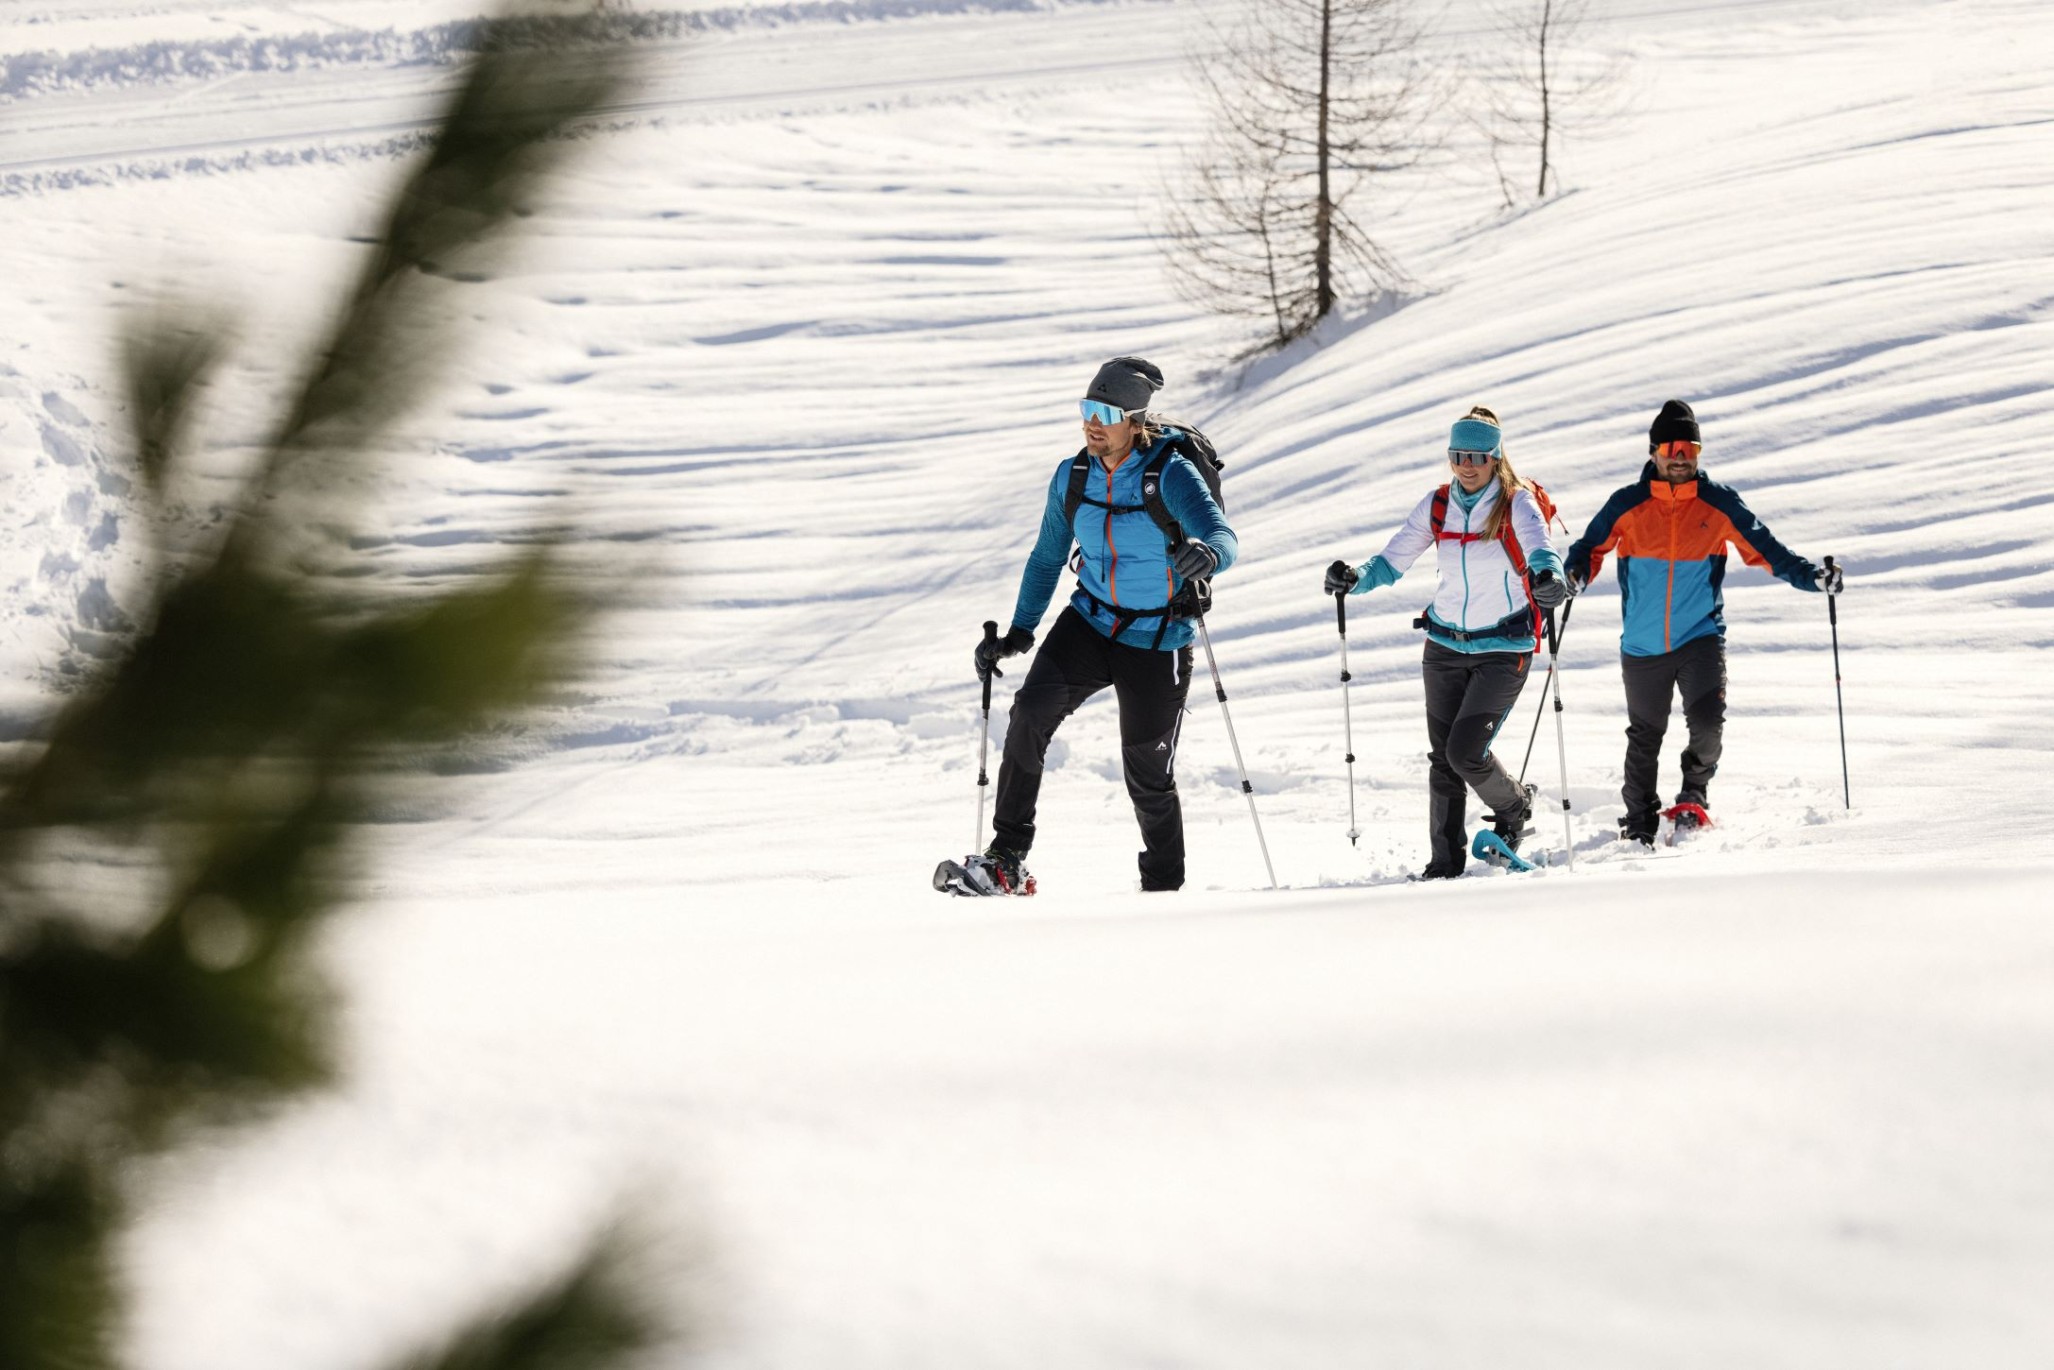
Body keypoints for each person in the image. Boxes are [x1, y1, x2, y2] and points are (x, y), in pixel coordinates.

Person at [961, 357, 1238, 894]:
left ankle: (1163, 890)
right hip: (1089, 622)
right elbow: (1046, 558)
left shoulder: (1170, 474)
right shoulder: (1074, 475)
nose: (1091, 422)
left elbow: (1223, 536)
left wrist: (1208, 555)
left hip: (1157, 638)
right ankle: (1006, 857)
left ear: (1134, 421)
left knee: (1148, 774)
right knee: (1029, 716)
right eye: (1086, 409)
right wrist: (1020, 632)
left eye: (1104, 412)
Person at [1562, 399, 1839, 846]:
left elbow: (1767, 550)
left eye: (1690, 447)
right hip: (1643, 643)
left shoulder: (1718, 503)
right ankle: (1640, 819)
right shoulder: (1627, 504)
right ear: (1654, 452)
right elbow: (1589, 549)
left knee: (1708, 722)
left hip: (1700, 636)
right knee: (1645, 735)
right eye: (1671, 447)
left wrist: (1812, 577)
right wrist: (1573, 576)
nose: (1680, 456)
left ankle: (1693, 794)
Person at [1324, 406, 1567, 878]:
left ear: (1495, 458)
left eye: (1477, 455)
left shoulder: (1516, 503)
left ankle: (1515, 807)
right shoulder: (1438, 505)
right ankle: (1444, 862)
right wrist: (1354, 578)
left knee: (1465, 752)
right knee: (1443, 759)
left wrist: (1549, 579)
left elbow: (1541, 550)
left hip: (1504, 647)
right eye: (1458, 454)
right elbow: (1392, 561)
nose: (1466, 464)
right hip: (1443, 647)